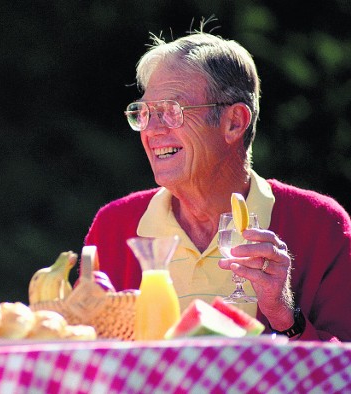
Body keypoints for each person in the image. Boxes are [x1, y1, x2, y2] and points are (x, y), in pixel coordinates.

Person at [84, 29, 351, 342]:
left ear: (234, 122)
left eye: (171, 111)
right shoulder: (113, 226)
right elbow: (85, 360)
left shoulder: (321, 224)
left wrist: (284, 316)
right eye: (144, 112)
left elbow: (341, 376)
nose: (152, 130)